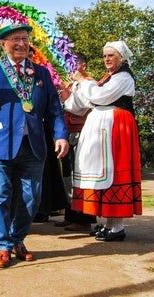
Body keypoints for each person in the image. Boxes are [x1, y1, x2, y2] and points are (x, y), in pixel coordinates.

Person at [0, 23, 68, 268]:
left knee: (31, 198)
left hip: (33, 146)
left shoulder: (40, 74)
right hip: (0, 145)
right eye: (15, 39)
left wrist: (60, 135)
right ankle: (2, 246)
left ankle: (16, 240)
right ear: (3, 44)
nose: (21, 43)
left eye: (24, 38)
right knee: (0, 197)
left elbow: (54, 108)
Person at [65, 41, 141, 241]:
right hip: (102, 128)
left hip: (116, 127)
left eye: (111, 55)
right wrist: (69, 92)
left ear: (121, 58)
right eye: (105, 56)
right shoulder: (108, 78)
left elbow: (100, 97)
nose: (106, 59)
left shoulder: (123, 77)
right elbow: (84, 102)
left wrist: (83, 80)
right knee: (101, 173)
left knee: (113, 172)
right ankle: (109, 224)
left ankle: (116, 227)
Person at [56, 52, 97, 231]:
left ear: (83, 66)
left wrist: (66, 99)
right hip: (69, 133)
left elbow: (82, 108)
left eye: (74, 64)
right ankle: (70, 214)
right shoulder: (73, 84)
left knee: (81, 175)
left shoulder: (90, 84)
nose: (70, 68)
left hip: (83, 133)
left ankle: (84, 219)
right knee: (68, 175)